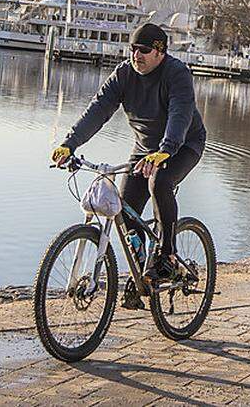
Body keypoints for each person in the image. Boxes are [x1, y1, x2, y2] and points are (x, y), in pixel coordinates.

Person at [50, 23, 207, 307]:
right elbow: (97, 110)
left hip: (183, 145)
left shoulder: (176, 74)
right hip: (145, 149)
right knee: (126, 211)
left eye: (144, 50)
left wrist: (166, 150)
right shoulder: (124, 74)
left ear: (160, 51)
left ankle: (167, 257)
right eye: (132, 49)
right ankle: (141, 276)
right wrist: (69, 144)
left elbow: (180, 115)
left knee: (160, 182)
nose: (136, 55)